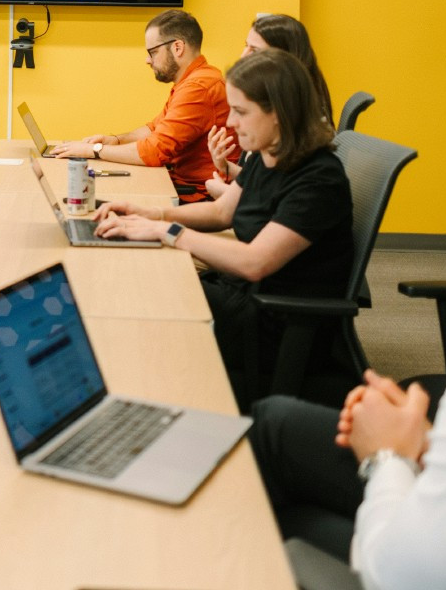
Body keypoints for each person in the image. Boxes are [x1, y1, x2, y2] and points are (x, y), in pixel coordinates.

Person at [249, 85, 446, 587]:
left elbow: (395, 573)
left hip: (404, 563)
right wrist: (426, 444)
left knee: (282, 518)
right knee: (274, 423)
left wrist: (388, 455)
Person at [94, 48, 354, 408]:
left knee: (147, 291)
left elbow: (255, 262)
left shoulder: (318, 179)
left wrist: (166, 234)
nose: (231, 123)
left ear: (279, 113)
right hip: (244, 293)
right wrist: (152, 214)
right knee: (144, 279)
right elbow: (220, 213)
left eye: (242, 112)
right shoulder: (270, 152)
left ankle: (142, 397)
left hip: (275, 319)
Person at [53, 9, 232, 202]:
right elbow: (153, 129)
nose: (148, 60)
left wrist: (94, 151)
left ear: (178, 47)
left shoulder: (198, 88)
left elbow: (155, 152)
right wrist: (115, 140)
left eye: (153, 52)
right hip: (179, 185)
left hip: (196, 197)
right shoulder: (195, 80)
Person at [207, 13, 335, 196]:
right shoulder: (291, 102)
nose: (243, 56)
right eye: (246, 46)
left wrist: (227, 196)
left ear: (282, 58)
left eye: (255, 50)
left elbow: (274, 196)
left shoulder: (294, 117)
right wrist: (226, 167)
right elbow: (266, 181)